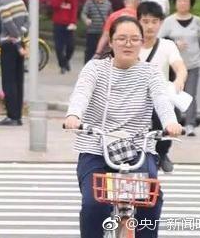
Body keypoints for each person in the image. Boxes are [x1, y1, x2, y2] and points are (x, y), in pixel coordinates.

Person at [64, 15, 182, 238]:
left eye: (134, 39)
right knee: (94, 204)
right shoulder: (95, 69)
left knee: (151, 200)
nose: (128, 44)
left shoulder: (150, 72)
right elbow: (81, 93)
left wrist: (170, 122)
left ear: (141, 43)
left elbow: (161, 100)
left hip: (137, 149)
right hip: (95, 148)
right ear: (110, 41)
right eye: (121, 38)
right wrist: (74, 115)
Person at [137, 1, 187, 173]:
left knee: (170, 120)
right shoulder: (130, 45)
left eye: (154, 21)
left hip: (160, 97)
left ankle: (162, 153)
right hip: (134, 98)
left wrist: (179, 79)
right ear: (138, 21)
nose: (150, 26)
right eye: (145, 21)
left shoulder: (167, 45)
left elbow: (180, 66)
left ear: (161, 23)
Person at [160, 0, 200, 136]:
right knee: (174, 94)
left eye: (186, 1)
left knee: (190, 94)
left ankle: (190, 124)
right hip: (173, 66)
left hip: (192, 64)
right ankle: (175, 123)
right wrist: (174, 43)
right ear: (175, 3)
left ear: (191, 4)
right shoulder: (169, 21)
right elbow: (159, 40)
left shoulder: (197, 21)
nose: (183, 3)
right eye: (180, 1)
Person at [0, 0, 29, 126]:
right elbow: (27, 20)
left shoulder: (3, 3)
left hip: (9, 44)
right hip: (20, 44)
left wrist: (16, 39)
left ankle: (12, 116)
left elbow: (8, 24)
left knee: (8, 81)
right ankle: (18, 115)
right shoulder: (19, 0)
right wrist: (21, 36)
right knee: (18, 80)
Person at [49, 0, 78, 73]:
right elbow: (54, 5)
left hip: (69, 24)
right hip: (58, 23)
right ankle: (62, 65)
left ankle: (66, 60)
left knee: (71, 46)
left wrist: (73, 22)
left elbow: (74, 9)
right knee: (58, 47)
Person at [81, 0, 112, 64]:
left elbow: (111, 15)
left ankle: (100, 66)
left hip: (103, 32)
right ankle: (87, 65)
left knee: (103, 50)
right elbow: (84, 13)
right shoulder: (89, 2)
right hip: (92, 31)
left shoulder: (108, 3)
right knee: (90, 50)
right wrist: (86, 20)